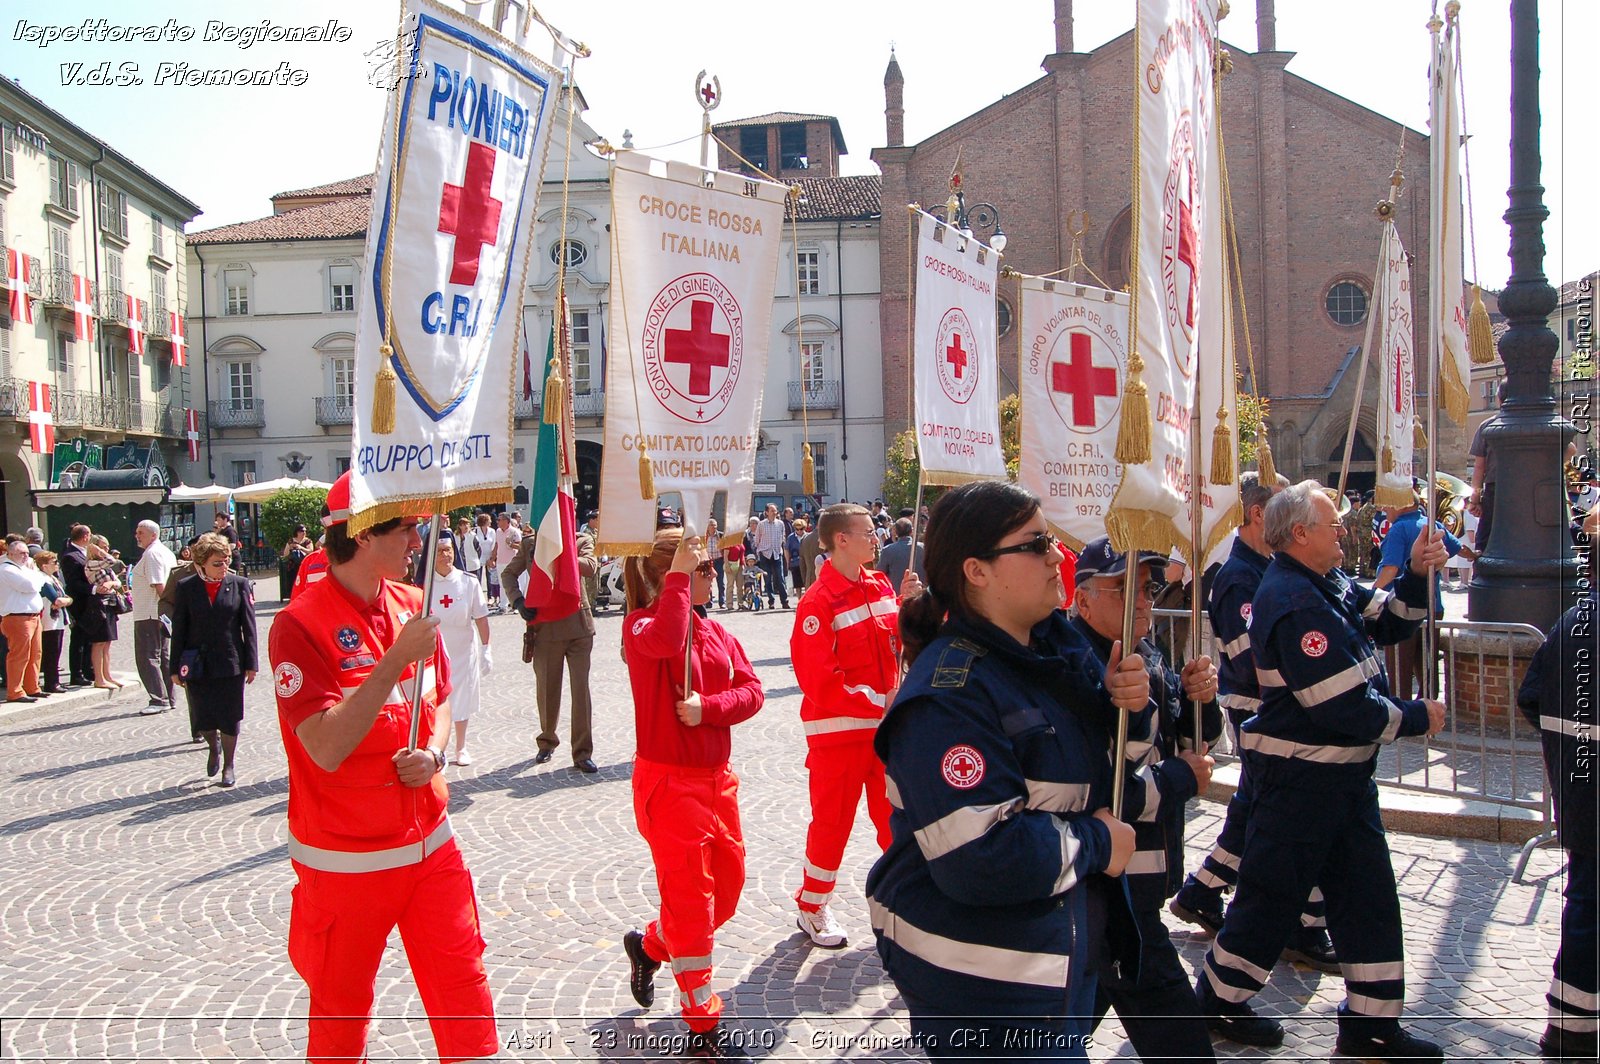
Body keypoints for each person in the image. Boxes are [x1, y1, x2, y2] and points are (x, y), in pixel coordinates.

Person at [866, 481, 1145, 1061]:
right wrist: (1097, 842)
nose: (1057, 557)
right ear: (977, 571)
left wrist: (1129, 712)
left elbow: (1099, 777)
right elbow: (981, 859)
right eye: (1035, 544)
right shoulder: (950, 694)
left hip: (1055, 958)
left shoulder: (1049, 656)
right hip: (990, 990)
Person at [1195, 480, 1448, 1060]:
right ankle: (1216, 999)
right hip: (1302, 781)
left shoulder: (1324, 581)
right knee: (1269, 899)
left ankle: (1372, 1025)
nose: (1344, 533)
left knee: (1368, 900)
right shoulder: (1291, 599)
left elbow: (1389, 618)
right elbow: (1338, 705)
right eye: (1334, 525)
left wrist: (1413, 572)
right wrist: (1415, 717)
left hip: (1343, 780)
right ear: (1300, 534)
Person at [267, 471, 497, 1064]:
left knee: (466, 998)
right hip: (346, 863)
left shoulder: (411, 603)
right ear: (364, 535)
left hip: (430, 847)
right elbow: (325, 745)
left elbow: (440, 697)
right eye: (408, 529)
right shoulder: (298, 624)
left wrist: (437, 752)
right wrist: (395, 660)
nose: (419, 541)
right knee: (340, 1022)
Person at [1170, 475, 1339, 972]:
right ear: (1260, 514)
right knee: (1284, 813)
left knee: (1260, 808)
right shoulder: (1239, 576)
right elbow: (1249, 658)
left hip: (1278, 710)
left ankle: (1205, 889)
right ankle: (1301, 923)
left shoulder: (1264, 568)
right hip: (1257, 708)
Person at [1068, 535, 1222, 1062]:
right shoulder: (1075, 666)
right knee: (1178, 1038)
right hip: (1113, 882)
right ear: (1083, 599)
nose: (1142, 599)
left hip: (1148, 865)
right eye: (1123, 588)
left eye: (1148, 587)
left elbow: (1188, 742)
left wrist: (1205, 700)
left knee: (1073, 1014)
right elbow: (1099, 790)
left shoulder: (1148, 652)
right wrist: (1180, 778)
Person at [619, 529, 764, 1061]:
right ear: (668, 575)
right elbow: (665, 639)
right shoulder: (640, 627)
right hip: (668, 781)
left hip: (716, 780)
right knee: (693, 903)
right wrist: (679, 575)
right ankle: (703, 1029)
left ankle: (652, 944)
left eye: (706, 568)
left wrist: (711, 708)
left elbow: (752, 690)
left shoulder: (718, 631)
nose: (712, 575)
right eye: (703, 569)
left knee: (726, 889)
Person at [789, 503, 921, 949]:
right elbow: (820, 682)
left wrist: (911, 608)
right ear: (840, 540)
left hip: (883, 733)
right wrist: (880, 701)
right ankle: (812, 906)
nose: (876, 537)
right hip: (839, 737)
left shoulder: (880, 583)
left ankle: (904, 900)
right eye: (867, 532)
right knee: (832, 825)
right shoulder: (817, 602)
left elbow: (899, 643)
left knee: (895, 820)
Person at [1518, 512, 1598, 1060]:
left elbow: (1531, 698)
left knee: (1587, 903)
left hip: (1578, 793)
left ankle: (1569, 1027)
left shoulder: (1571, 622)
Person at [501, 526, 600, 773]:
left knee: (580, 691)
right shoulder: (531, 543)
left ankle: (582, 752)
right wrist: (518, 600)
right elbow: (508, 574)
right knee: (547, 688)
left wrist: (561, 552)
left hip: (578, 625)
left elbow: (590, 566)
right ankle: (547, 740)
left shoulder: (580, 540)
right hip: (545, 627)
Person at [170, 533, 258, 787]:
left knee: (230, 715)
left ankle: (229, 764)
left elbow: (248, 627)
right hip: (197, 662)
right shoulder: (186, 587)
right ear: (201, 564)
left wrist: (252, 663)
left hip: (230, 661)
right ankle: (213, 744)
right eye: (217, 563)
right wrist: (174, 667)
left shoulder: (239, 584)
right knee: (203, 717)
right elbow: (180, 629)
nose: (223, 568)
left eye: (226, 561)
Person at [1374, 486, 1475, 699]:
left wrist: (1371, 596)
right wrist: (1476, 556)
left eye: (1388, 504)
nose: (1384, 509)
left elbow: (1390, 569)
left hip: (1401, 609)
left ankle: (1404, 715)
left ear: (1402, 504)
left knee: (1399, 670)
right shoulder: (1434, 524)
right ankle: (1427, 709)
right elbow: (1460, 549)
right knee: (1427, 666)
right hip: (1432, 605)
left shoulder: (1398, 529)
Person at [428, 534, 491, 767]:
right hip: (435, 648)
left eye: (449, 550)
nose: (446, 555)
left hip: (463, 648)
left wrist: (486, 648)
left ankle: (461, 746)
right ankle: (438, 748)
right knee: (437, 699)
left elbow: (481, 618)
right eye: (440, 551)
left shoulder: (469, 582)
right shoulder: (426, 585)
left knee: (462, 697)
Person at [131, 520, 177, 716]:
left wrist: (169, 610)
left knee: (148, 656)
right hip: (157, 612)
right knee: (162, 657)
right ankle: (168, 697)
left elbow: (159, 586)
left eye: (141, 532)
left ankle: (159, 699)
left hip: (150, 613)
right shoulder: (164, 551)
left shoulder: (152, 554)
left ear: (153, 535)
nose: (137, 536)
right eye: (137, 532)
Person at [0, 538, 48, 703]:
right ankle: (15, 691)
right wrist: (37, 578)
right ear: (10, 553)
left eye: (27, 553)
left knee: (35, 653)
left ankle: (32, 687)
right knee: (19, 655)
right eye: (21, 553)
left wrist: (36, 577)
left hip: (33, 617)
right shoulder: (6, 569)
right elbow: (30, 586)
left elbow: (42, 579)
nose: (25, 556)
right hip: (17, 618)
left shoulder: (24, 568)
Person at [84, 537, 125, 689]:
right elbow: (111, 561)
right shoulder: (91, 564)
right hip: (98, 604)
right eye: (103, 547)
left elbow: (118, 583)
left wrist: (110, 583)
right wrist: (98, 551)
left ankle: (107, 675)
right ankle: (99, 678)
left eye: (107, 547)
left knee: (107, 642)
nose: (106, 550)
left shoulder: (104, 566)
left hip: (110, 603)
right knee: (99, 642)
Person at [60, 524, 95, 688]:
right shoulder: (70, 556)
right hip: (79, 603)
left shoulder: (84, 552)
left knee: (89, 639)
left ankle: (88, 670)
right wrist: (94, 588)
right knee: (79, 640)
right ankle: (77, 674)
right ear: (85, 536)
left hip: (89, 603)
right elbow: (73, 583)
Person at [35, 551, 70, 694]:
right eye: (54, 562)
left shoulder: (52, 578)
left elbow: (64, 597)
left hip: (57, 620)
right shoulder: (43, 579)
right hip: (49, 622)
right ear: (44, 566)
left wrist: (67, 600)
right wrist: (68, 601)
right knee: (51, 652)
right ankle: (51, 683)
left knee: (56, 652)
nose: (57, 564)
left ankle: (55, 681)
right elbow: (57, 599)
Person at [754, 504, 790, 609]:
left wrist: (781, 550)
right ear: (767, 513)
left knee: (780, 578)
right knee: (767, 578)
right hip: (765, 554)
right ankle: (771, 601)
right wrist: (760, 552)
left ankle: (784, 601)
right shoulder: (761, 524)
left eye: (775, 511)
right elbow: (757, 540)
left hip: (777, 553)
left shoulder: (780, 524)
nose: (774, 512)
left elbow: (782, 538)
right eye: (772, 511)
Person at [876, 517, 926, 591]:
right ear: (911, 531)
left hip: (897, 594)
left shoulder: (888, 550)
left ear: (895, 532)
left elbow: (879, 573)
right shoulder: (923, 548)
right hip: (920, 593)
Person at [281, 524, 313, 601]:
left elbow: (311, 551)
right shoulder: (291, 541)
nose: (304, 533)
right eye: (302, 531)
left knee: (304, 580)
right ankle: (293, 597)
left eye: (305, 531)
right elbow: (285, 554)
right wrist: (290, 547)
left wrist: (301, 548)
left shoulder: (308, 541)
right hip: (293, 565)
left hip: (304, 564)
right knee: (293, 580)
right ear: (297, 532)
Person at [705, 518, 726, 610]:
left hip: (719, 560)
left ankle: (722, 602)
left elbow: (725, 547)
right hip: (708, 561)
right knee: (708, 582)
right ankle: (708, 602)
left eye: (715, 525)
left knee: (720, 582)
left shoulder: (720, 535)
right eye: (712, 525)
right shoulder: (704, 536)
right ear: (708, 527)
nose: (714, 527)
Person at [786, 518, 807, 595]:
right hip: (795, 562)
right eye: (797, 529)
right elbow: (786, 549)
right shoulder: (791, 537)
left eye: (801, 529)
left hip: (806, 562)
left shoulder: (808, 536)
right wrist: (788, 562)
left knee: (806, 582)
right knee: (797, 584)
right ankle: (799, 600)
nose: (799, 531)